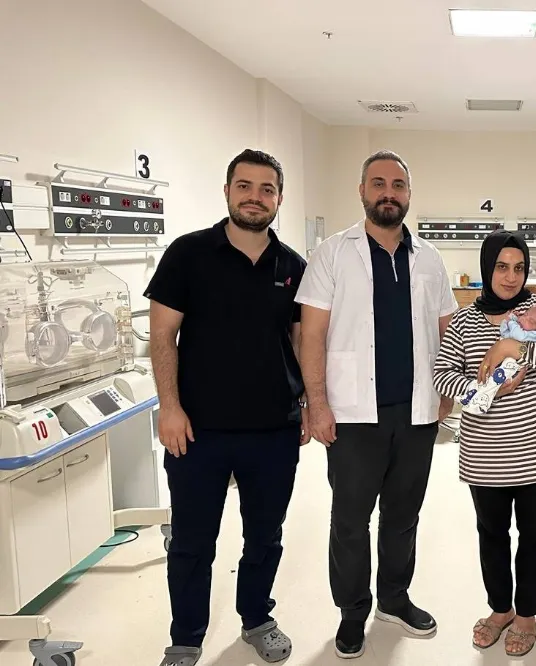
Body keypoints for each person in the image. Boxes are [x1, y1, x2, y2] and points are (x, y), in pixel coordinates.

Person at [145, 149, 309, 666]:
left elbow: (301, 342)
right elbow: (162, 336)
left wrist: (307, 402)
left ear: (279, 198)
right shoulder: (188, 254)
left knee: (265, 536)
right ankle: (186, 637)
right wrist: (169, 407)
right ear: (227, 191)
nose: (255, 197)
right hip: (198, 430)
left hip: (274, 429)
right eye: (245, 186)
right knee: (192, 541)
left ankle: (257, 618)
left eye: (267, 189)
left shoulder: (293, 267)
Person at [295, 149, 457, 660]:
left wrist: (446, 390)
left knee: (403, 514)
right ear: (362, 191)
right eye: (379, 183)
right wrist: (317, 404)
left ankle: (394, 598)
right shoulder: (332, 253)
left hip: (416, 412)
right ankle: (352, 611)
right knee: (350, 518)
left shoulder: (429, 258)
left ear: (408, 194)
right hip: (353, 414)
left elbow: (446, 328)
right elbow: (311, 335)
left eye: (398, 185)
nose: (389, 192)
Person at [432, 230, 536, 658]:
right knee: (491, 535)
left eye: (519, 268)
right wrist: (483, 392)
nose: (511, 277)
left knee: (534, 536)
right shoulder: (464, 321)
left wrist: (516, 348)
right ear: (486, 267)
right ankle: (500, 609)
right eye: (501, 267)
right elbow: (442, 374)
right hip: (485, 456)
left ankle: (527, 615)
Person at [458, 303, 536, 414]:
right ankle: (470, 395)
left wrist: (511, 322)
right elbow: (504, 332)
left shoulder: (535, 335)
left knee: (493, 382)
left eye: (531, 321)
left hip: (512, 365)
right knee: (486, 380)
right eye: (526, 314)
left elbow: (517, 335)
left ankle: (482, 402)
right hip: (503, 362)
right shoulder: (463, 317)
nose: (524, 318)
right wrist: (510, 319)